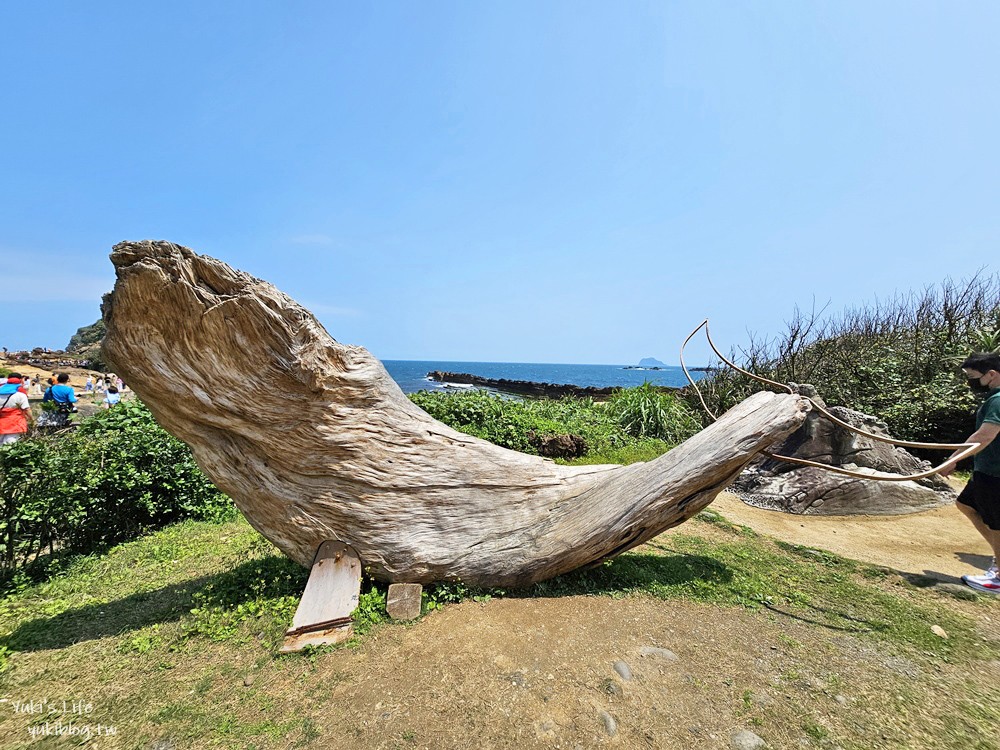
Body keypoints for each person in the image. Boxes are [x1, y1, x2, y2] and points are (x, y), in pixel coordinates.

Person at [938, 352, 1000, 594]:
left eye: (973, 377)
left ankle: (998, 577)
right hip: (986, 469)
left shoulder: (997, 400)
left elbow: (984, 436)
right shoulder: (993, 397)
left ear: (992, 375)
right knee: (966, 504)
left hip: (995, 473)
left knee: (996, 523)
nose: (970, 382)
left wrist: (952, 460)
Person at [0, 373, 35, 444]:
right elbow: (27, 409)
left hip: (1, 420)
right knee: (10, 444)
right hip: (14, 423)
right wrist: (32, 420)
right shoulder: (20, 395)